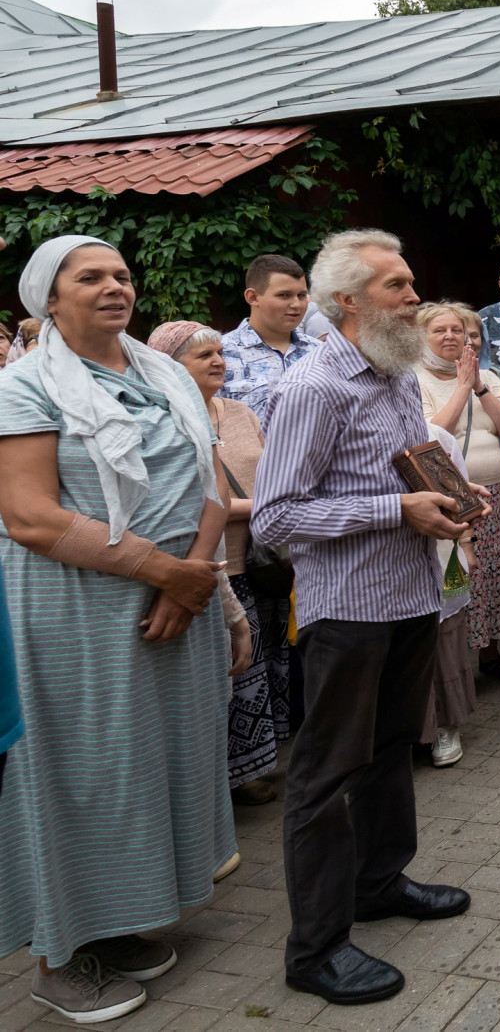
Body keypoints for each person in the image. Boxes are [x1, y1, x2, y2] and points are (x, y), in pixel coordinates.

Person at [0, 236, 245, 1022]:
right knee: (82, 770)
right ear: (49, 294)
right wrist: (160, 570)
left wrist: (195, 573)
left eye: (122, 275)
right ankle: (57, 956)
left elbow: (211, 474)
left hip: (179, 598)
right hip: (79, 611)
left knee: (152, 764)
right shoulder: (24, 385)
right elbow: (30, 517)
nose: (115, 287)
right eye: (91, 277)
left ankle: (111, 923)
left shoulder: (161, 369)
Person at [251, 229, 472, 1005]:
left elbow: (411, 467)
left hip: (412, 596)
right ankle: (314, 950)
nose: (415, 298)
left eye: (412, 284)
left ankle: (379, 883)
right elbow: (275, 518)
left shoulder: (397, 373)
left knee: (387, 751)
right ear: (346, 301)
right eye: (397, 287)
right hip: (347, 611)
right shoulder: (313, 387)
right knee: (324, 773)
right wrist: (396, 509)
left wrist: (445, 502)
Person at [151, 320, 292, 808]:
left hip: (264, 555)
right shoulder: (165, 418)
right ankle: (236, 776)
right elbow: (193, 500)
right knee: (239, 669)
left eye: (218, 352)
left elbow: (273, 468)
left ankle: (268, 756)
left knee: (272, 655)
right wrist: (259, 506)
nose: (217, 361)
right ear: (170, 366)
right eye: (202, 356)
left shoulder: (238, 411)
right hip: (217, 563)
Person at [415, 303, 500, 694]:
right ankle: (453, 664)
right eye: (439, 330)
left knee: (493, 577)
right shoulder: (415, 378)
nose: (449, 337)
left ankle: (490, 654)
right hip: (446, 495)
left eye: (457, 331)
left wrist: (478, 384)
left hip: (493, 491)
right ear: (422, 337)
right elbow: (431, 435)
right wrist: (461, 387)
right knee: (458, 580)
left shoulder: (489, 376)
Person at [416, 422, 477, 769]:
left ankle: (445, 725)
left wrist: (467, 546)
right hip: (389, 574)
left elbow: (462, 502)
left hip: (442, 559)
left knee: (444, 643)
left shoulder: (437, 436)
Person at [220, 253, 318, 420]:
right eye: (284, 295)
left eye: (301, 295)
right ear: (253, 297)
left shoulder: (321, 353)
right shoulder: (221, 354)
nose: (296, 304)